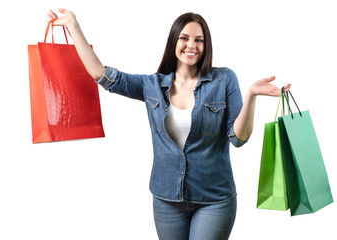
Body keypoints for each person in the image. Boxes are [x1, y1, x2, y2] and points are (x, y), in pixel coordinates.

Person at [47, 9, 291, 240]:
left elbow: (238, 138)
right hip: (166, 199)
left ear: (206, 46)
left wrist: (251, 96)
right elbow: (103, 75)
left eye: (199, 40)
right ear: (174, 41)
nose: (191, 45)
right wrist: (74, 27)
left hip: (214, 199)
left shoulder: (224, 80)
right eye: (184, 38)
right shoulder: (152, 85)